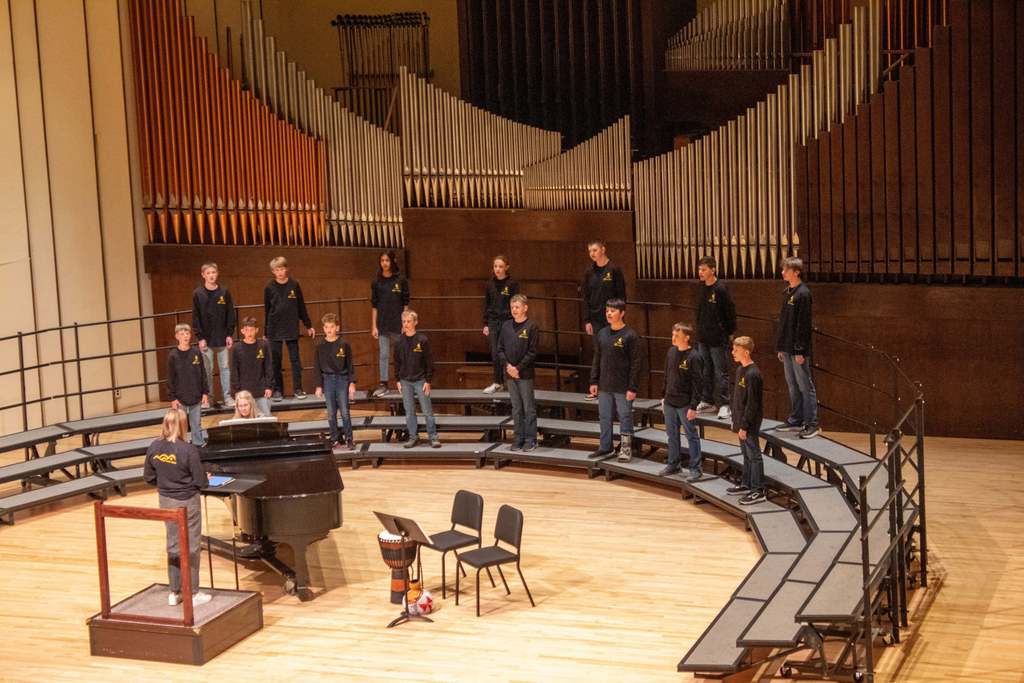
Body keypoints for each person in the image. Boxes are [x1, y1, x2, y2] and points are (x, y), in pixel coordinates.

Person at [143, 409, 212, 607]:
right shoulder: (188, 450)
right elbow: (200, 481)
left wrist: (166, 484)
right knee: (191, 546)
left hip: (166, 501)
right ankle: (193, 592)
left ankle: (174, 592)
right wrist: (203, 479)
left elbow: (148, 477)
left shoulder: (154, 447)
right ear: (183, 425)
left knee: (173, 545)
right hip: (188, 502)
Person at [588, 298, 642, 462]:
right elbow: (597, 358)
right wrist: (593, 381)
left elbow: (636, 364)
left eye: (613, 311)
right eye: (607, 311)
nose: (609, 314)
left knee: (625, 417)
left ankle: (626, 449)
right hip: (604, 385)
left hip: (623, 386)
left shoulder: (630, 335)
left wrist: (632, 387)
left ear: (622, 313)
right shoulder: (602, 333)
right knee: (604, 417)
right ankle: (606, 447)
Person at [775, 256, 819, 438]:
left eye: (786, 270)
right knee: (792, 385)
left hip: (797, 349)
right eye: (783, 269)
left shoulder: (803, 294)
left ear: (797, 272)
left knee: (805, 385)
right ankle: (797, 419)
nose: (783, 272)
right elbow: (784, 322)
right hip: (786, 347)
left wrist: (800, 350)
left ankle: (812, 423)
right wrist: (780, 346)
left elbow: (803, 325)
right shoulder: (787, 292)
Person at [263, 256, 315, 401]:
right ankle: (278, 390)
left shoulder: (294, 285)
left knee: (295, 360)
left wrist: (308, 325)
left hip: (291, 327)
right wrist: (265, 331)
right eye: (276, 270)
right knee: (276, 361)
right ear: (273, 271)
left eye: (281, 269)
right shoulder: (269, 287)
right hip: (274, 328)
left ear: (286, 269)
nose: (280, 272)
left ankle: (298, 389)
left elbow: (301, 306)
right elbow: (267, 310)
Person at [694, 256, 737, 420]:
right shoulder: (701, 288)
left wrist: (730, 332)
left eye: (704, 269)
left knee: (721, 372)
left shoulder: (720, 289)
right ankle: (707, 400)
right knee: (706, 370)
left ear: (713, 270)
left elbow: (729, 312)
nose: (700, 272)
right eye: (699, 269)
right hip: (703, 337)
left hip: (718, 338)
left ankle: (725, 404)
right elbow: (699, 312)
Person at [660, 323, 704, 482]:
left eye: (677, 336)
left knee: (691, 436)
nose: (673, 338)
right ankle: (673, 464)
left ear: (686, 337)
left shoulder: (694, 357)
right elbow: (666, 375)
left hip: (685, 404)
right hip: (670, 402)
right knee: (671, 435)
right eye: (673, 334)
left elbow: (698, 383)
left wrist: (693, 406)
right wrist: (663, 396)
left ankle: (696, 469)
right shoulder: (671, 352)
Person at [727, 336, 766, 505]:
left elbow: (752, 404)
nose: (733, 352)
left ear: (746, 352)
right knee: (746, 454)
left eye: (736, 350)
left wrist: (744, 425)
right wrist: (735, 419)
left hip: (749, 422)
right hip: (740, 420)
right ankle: (747, 484)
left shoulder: (753, 374)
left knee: (754, 456)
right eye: (733, 349)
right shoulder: (740, 370)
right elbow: (737, 398)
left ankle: (758, 490)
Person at [191, 262, 236, 408]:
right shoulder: (198, 294)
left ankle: (227, 397)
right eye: (208, 273)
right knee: (207, 370)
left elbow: (230, 314)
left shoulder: (224, 292)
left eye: (213, 272)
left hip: (222, 337)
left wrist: (229, 334)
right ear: (203, 275)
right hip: (206, 339)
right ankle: (208, 399)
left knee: (225, 368)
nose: (211, 275)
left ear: (217, 273)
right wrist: (200, 337)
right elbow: (196, 317)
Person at [497, 294, 539, 451]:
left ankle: (531, 439)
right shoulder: (506, 326)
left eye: (517, 307)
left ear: (525, 308)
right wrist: (508, 366)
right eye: (512, 307)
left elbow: (532, 352)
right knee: (516, 408)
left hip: (525, 374)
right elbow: (500, 349)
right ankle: (518, 438)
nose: (514, 310)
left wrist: (518, 368)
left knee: (528, 408)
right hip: (510, 374)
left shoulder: (532, 326)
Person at [394, 310, 440, 448]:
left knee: (427, 411)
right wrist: (397, 380)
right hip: (405, 381)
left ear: (415, 322)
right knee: (409, 412)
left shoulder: (422, 340)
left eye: (408, 321)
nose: (406, 324)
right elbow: (396, 362)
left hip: (420, 381)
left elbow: (429, 362)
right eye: (404, 321)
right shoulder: (399, 341)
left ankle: (433, 437)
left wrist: (428, 381)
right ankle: (413, 437)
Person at [314, 313, 357, 452]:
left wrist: (352, 383)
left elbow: (350, 365)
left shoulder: (344, 344)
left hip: (342, 380)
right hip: (327, 380)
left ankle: (349, 439)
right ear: (323, 328)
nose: (329, 330)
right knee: (331, 413)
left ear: (337, 328)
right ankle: (334, 440)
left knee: (344, 412)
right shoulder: (320, 345)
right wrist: (319, 386)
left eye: (332, 327)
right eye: (326, 327)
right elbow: (317, 367)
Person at [370, 250, 410, 398]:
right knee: (384, 355)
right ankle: (384, 384)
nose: (384, 263)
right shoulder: (376, 282)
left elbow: (406, 303)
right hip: (382, 324)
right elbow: (374, 306)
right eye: (382, 261)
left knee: (401, 354)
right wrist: (374, 326)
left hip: (398, 324)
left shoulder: (401, 280)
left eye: (387, 260)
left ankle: (404, 381)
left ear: (392, 261)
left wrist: (405, 323)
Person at [167, 323, 209, 447]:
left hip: (196, 395)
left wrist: (205, 392)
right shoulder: (173, 355)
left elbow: (203, 373)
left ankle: (198, 444)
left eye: (187, 333)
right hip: (180, 397)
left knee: (196, 423)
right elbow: (170, 378)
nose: (185, 336)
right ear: (176, 336)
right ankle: (181, 445)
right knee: (181, 423)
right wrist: (172, 398)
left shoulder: (196, 352)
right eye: (182, 334)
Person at [481, 255, 519, 394]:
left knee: (509, 352)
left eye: (501, 266)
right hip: (493, 322)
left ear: (506, 267)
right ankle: (498, 383)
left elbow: (516, 303)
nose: (498, 269)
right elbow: (486, 304)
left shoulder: (512, 284)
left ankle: (512, 382)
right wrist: (486, 323)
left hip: (508, 322)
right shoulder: (489, 284)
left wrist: (515, 322)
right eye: (495, 266)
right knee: (495, 353)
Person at [581, 239, 627, 338]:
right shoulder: (588, 272)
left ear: (603, 250)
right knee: (598, 346)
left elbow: (621, 296)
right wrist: (587, 321)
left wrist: (619, 317)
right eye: (590, 251)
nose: (592, 253)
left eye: (595, 250)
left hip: (612, 318)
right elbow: (585, 297)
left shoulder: (614, 269)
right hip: (595, 320)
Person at [230, 316, 274, 417]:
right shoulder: (237, 348)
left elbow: (268, 367)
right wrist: (236, 391)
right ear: (242, 331)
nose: (249, 333)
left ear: (256, 330)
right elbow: (234, 371)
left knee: (266, 418)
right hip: (244, 394)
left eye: (252, 330)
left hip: (261, 392)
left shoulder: (263, 345)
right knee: (245, 421)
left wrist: (269, 387)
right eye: (246, 330)